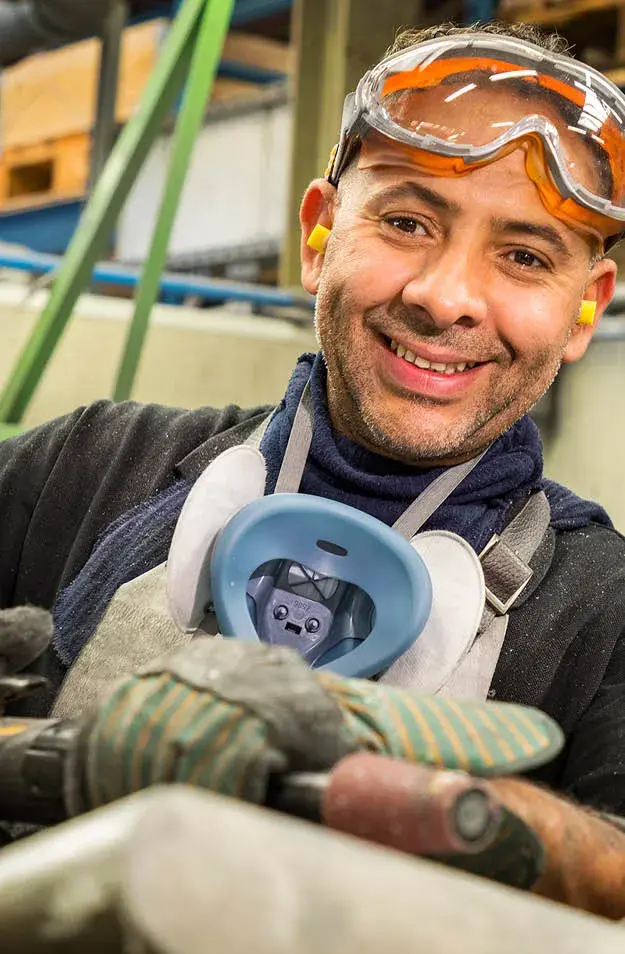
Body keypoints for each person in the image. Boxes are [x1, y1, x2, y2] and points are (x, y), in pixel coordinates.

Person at [2, 18, 625, 914]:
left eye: (523, 256)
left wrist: (409, 793)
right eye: (407, 221)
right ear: (319, 236)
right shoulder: (88, 466)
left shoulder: (603, 609)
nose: (443, 296)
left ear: (581, 313)